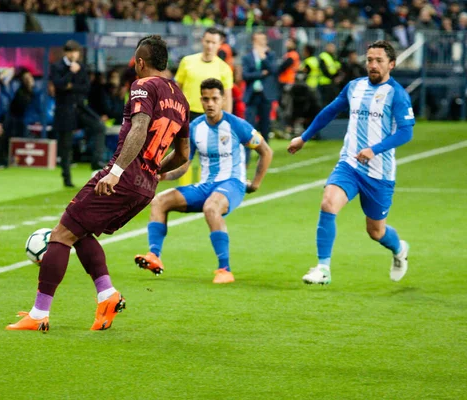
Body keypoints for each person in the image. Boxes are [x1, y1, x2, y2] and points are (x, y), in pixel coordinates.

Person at [6, 35, 190, 332]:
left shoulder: (143, 86)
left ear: (140, 63)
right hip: (144, 187)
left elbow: (140, 128)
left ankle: (39, 314)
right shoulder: (181, 98)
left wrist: (116, 171)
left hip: (124, 175)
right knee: (79, 232)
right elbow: (183, 154)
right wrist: (155, 172)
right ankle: (107, 295)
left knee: (61, 234)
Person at [287, 40, 414, 285]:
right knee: (328, 203)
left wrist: (374, 150)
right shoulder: (354, 87)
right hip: (350, 165)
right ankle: (323, 268)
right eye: (369, 60)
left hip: (380, 173)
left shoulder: (397, 94)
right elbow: (329, 111)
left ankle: (399, 249)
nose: (373, 65)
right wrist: (304, 137)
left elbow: (406, 132)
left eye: (379, 60)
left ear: (392, 64)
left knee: (375, 232)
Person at [135, 78, 272, 283]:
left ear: (223, 100)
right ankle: (154, 256)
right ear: (200, 99)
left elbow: (266, 151)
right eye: (206, 99)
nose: (210, 103)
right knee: (159, 201)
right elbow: (184, 164)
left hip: (231, 184)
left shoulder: (237, 125)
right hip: (205, 187)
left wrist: (255, 184)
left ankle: (224, 270)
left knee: (211, 207)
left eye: (214, 99)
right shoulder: (195, 128)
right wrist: (163, 174)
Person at [50, 40, 106, 187]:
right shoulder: (57, 66)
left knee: (99, 126)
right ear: (66, 52)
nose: (74, 54)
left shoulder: (81, 67)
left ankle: (96, 160)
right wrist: (70, 74)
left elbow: (86, 87)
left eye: (76, 52)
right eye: (71, 51)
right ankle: (66, 178)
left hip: (80, 108)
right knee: (66, 145)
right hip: (65, 110)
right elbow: (59, 85)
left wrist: (70, 86)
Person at [175, 27, 233, 121]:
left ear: (219, 44)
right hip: (186, 113)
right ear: (202, 41)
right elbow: (177, 89)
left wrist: (227, 120)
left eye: (213, 43)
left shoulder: (224, 68)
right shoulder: (187, 61)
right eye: (207, 41)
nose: (210, 46)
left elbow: (227, 97)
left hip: (211, 114)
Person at [242, 32, 279, 143]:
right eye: (259, 40)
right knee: (249, 125)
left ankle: (265, 153)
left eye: (264, 39)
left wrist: (263, 58)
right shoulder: (247, 57)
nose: (263, 42)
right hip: (252, 95)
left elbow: (273, 70)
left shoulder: (270, 55)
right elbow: (245, 75)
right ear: (254, 41)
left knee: (265, 125)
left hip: (265, 95)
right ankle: (246, 155)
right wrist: (261, 73)